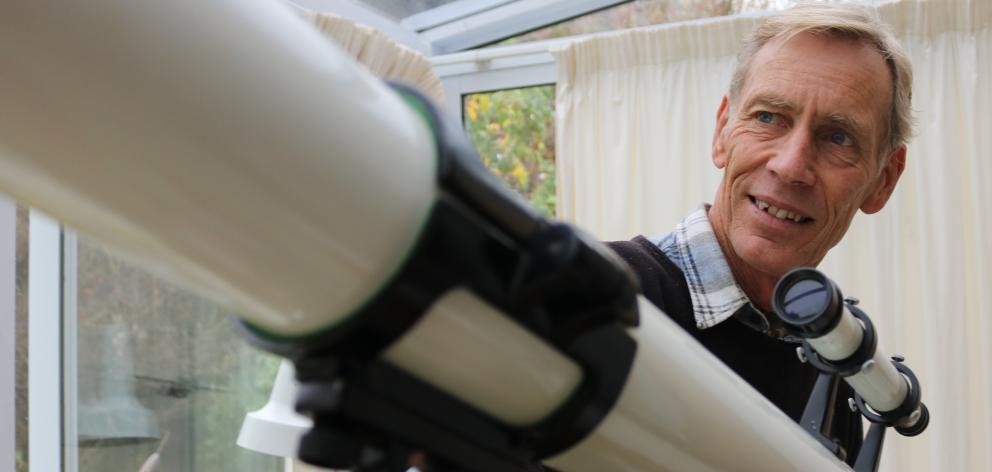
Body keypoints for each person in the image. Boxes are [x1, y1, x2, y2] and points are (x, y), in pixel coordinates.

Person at [606, 3, 912, 464]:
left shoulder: (837, 366)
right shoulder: (604, 295)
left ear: (883, 180)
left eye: (837, 138)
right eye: (769, 117)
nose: (790, 166)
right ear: (722, 131)